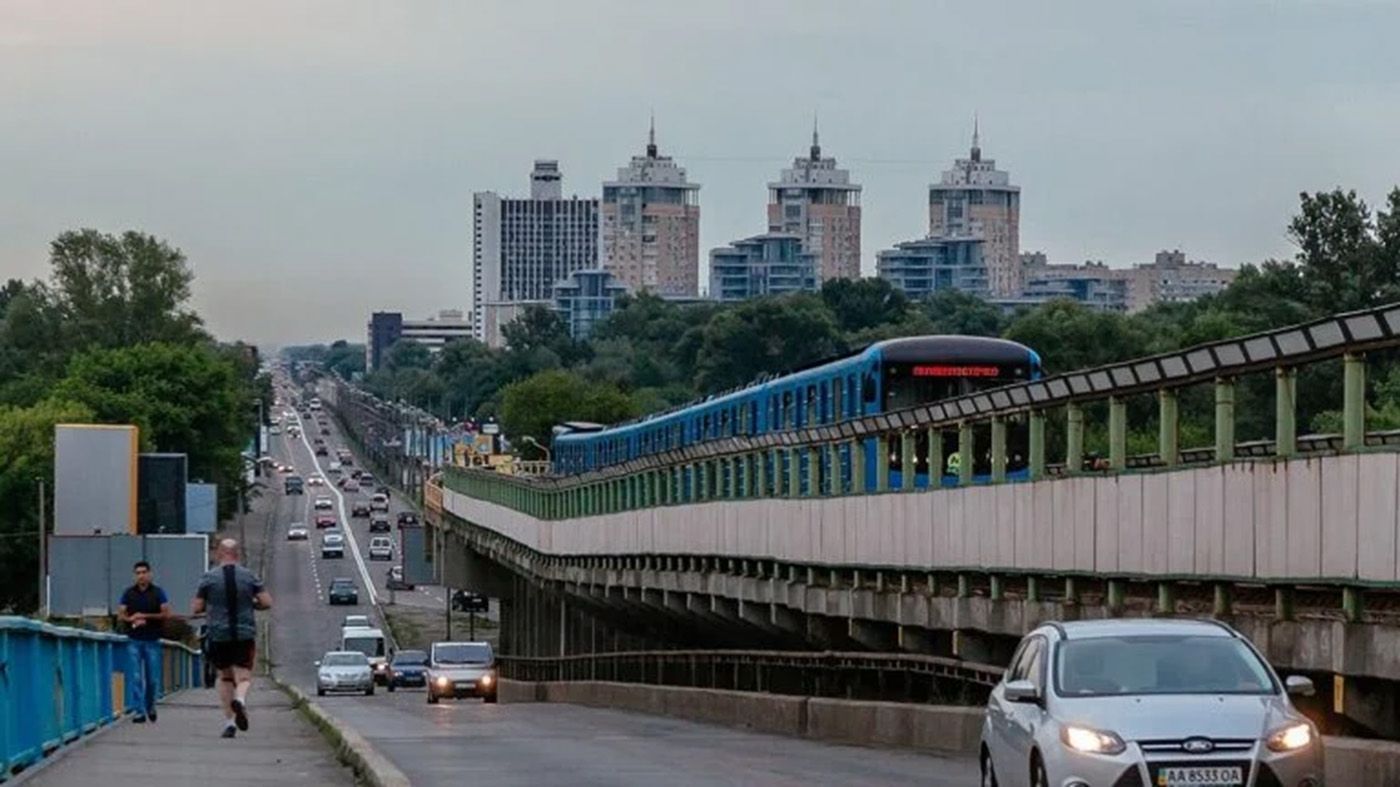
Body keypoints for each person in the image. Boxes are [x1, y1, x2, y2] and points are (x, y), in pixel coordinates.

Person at [192, 539, 272, 739]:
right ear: (238, 554)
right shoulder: (249, 576)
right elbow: (267, 602)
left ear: (219, 553)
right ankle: (241, 700)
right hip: (244, 634)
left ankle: (229, 723)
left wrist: (211, 607)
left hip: (219, 634)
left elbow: (196, 608)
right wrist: (251, 604)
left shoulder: (209, 578)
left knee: (225, 677)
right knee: (243, 676)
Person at [117, 560, 171, 723]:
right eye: (138, 573)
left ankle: (150, 706)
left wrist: (145, 616)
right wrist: (131, 618)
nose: (141, 576)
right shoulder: (128, 593)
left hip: (152, 640)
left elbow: (166, 613)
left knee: (152, 678)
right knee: (135, 676)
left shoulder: (158, 592)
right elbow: (120, 615)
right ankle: (139, 711)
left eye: (144, 572)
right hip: (134, 639)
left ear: (149, 574)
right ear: (135, 575)